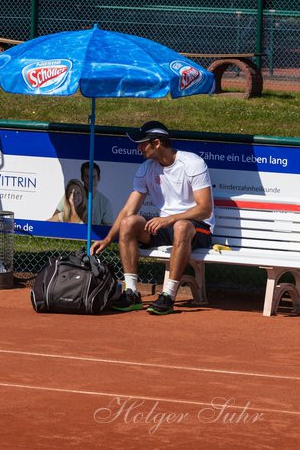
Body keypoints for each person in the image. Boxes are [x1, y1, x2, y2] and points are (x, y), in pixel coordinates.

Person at [90, 120, 213, 315]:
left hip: (198, 228)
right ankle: (131, 293)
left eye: (142, 143)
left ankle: (168, 297)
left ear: (157, 143)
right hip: (166, 227)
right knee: (129, 223)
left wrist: (170, 219)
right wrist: (107, 238)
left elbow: (205, 209)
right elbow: (128, 209)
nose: (138, 147)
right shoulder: (146, 168)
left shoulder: (192, 163)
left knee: (181, 226)